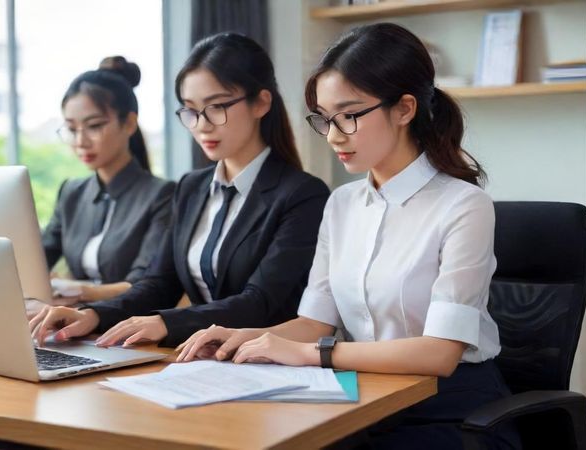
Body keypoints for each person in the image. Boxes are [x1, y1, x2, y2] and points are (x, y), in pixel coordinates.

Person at [175, 23, 521, 450]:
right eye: (325, 118)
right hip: (361, 399)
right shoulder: (340, 204)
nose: (335, 135)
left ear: (404, 109)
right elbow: (315, 321)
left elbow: (439, 354)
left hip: (451, 411)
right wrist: (245, 337)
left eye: (351, 115)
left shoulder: (464, 205)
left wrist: (313, 354)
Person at [30, 33, 331, 348]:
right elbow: (159, 285)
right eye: (190, 110)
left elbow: (260, 302)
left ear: (261, 102)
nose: (202, 125)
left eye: (216, 107)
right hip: (201, 360)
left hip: (273, 363)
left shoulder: (303, 195)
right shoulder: (192, 187)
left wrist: (165, 322)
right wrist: (93, 315)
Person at [41, 56, 174, 304]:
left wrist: (75, 290)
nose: (80, 141)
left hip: (129, 328)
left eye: (94, 126)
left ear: (129, 123)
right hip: (71, 325)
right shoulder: (71, 193)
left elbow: (144, 285)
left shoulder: (163, 195)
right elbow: (34, 264)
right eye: (71, 129)